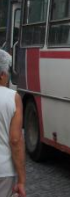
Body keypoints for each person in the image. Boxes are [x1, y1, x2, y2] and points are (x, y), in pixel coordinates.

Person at [0, 50, 25, 197]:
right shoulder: (12, 98)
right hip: (3, 170)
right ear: (2, 74)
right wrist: (21, 180)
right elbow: (15, 140)